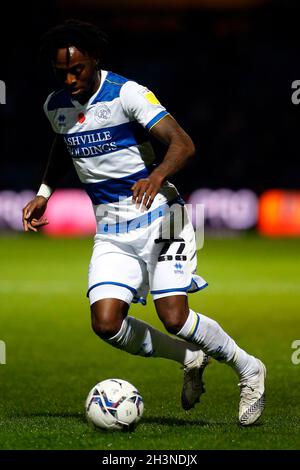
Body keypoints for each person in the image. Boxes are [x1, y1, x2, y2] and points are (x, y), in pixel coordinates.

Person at [22, 19, 266, 426]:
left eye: (77, 69)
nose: (69, 78)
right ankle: (189, 356)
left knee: (175, 316)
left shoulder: (127, 93)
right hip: (112, 232)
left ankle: (249, 369)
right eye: (61, 72)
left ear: (94, 60)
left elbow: (183, 144)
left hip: (164, 217)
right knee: (105, 324)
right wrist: (44, 193)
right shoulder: (55, 106)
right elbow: (64, 144)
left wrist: (156, 177)